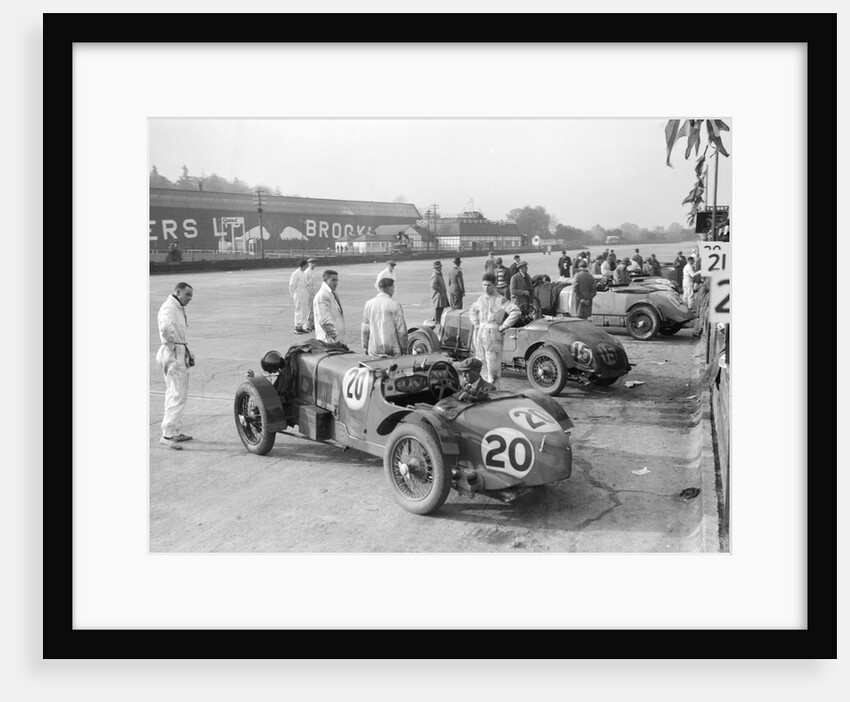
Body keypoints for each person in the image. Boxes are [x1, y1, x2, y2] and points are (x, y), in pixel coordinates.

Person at [156, 282, 195, 450]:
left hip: (178, 351)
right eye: (187, 295)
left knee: (175, 393)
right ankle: (168, 434)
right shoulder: (169, 308)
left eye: (191, 296)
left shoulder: (177, 308)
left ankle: (174, 430)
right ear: (177, 292)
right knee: (177, 394)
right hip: (173, 354)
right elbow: (165, 328)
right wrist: (173, 348)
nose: (189, 299)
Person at [469, 274, 521, 388]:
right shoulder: (481, 299)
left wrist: (503, 326)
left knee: (493, 369)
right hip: (480, 336)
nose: (486, 288)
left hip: (493, 337)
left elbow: (516, 311)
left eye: (489, 285)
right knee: (480, 364)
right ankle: (480, 391)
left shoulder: (500, 300)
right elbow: (472, 310)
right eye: (484, 285)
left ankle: (494, 393)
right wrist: (476, 323)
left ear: (495, 285)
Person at [361, 278, 408, 356]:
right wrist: (404, 349)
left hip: (374, 349)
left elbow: (365, 329)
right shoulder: (394, 304)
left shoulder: (369, 304)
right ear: (389, 288)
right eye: (393, 288)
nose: (394, 290)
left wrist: (366, 346)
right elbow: (402, 332)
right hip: (392, 349)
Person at [314, 269, 346, 343]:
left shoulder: (331, 293)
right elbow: (325, 321)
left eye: (337, 280)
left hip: (334, 340)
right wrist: (336, 339)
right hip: (328, 341)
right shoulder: (322, 295)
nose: (336, 283)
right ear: (326, 280)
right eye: (333, 280)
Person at [288, 258, 309, 334]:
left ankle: (301, 326)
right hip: (298, 294)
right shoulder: (295, 274)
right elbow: (292, 285)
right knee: (298, 311)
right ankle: (296, 327)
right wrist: (293, 295)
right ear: (303, 265)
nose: (307, 267)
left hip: (303, 294)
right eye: (306, 265)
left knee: (304, 310)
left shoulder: (303, 273)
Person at [430, 260, 449, 325]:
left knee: (439, 314)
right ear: (436, 268)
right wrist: (440, 290)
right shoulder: (435, 275)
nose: (441, 268)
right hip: (438, 298)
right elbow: (433, 285)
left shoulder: (439, 274)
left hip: (441, 298)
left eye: (440, 266)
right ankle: (437, 327)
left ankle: (437, 325)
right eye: (439, 267)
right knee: (438, 315)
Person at [303, 257, 319, 332]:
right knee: (309, 309)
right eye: (312, 263)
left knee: (313, 309)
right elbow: (305, 283)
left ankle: (312, 323)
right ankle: (308, 324)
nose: (314, 265)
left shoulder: (313, 271)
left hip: (313, 292)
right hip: (308, 292)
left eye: (315, 263)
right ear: (309, 264)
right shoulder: (307, 272)